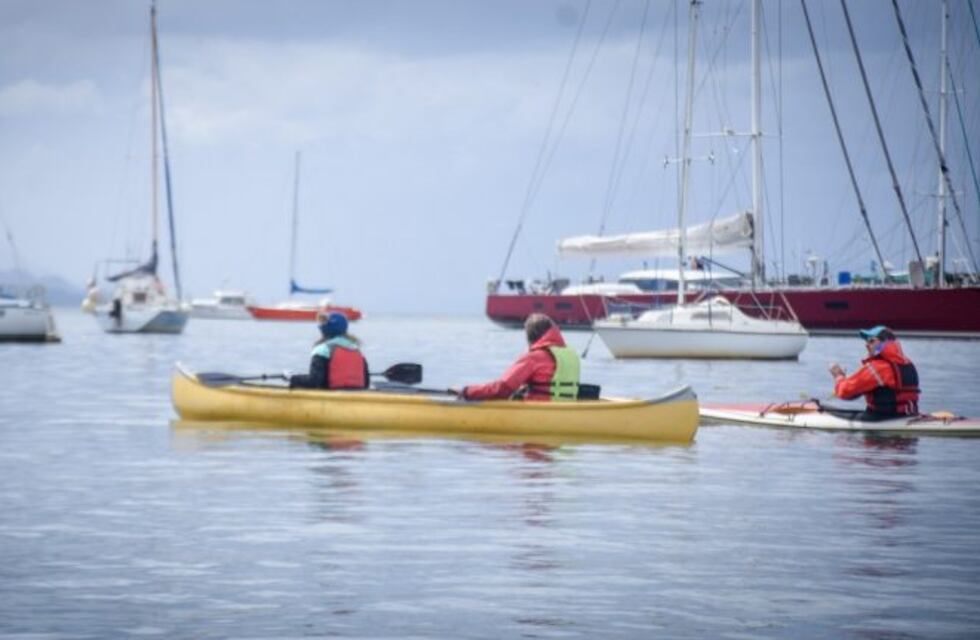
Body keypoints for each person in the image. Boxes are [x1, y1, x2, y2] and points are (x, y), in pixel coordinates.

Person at [455, 313, 580, 401]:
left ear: (530, 337)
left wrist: (468, 391)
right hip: (565, 410)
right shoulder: (571, 354)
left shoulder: (534, 357)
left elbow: (502, 389)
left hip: (539, 412)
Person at [828, 325, 920, 420]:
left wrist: (838, 376)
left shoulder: (876, 368)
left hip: (881, 419)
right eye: (867, 342)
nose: (867, 345)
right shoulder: (909, 363)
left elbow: (845, 392)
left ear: (886, 342)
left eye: (872, 341)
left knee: (824, 410)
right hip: (908, 415)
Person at [289, 312, 369, 390]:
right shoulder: (357, 351)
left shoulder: (322, 350)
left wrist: (292, 378)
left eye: (323, 322)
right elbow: (366, 384)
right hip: (356, 397)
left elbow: (314, 382)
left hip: (333, 399)